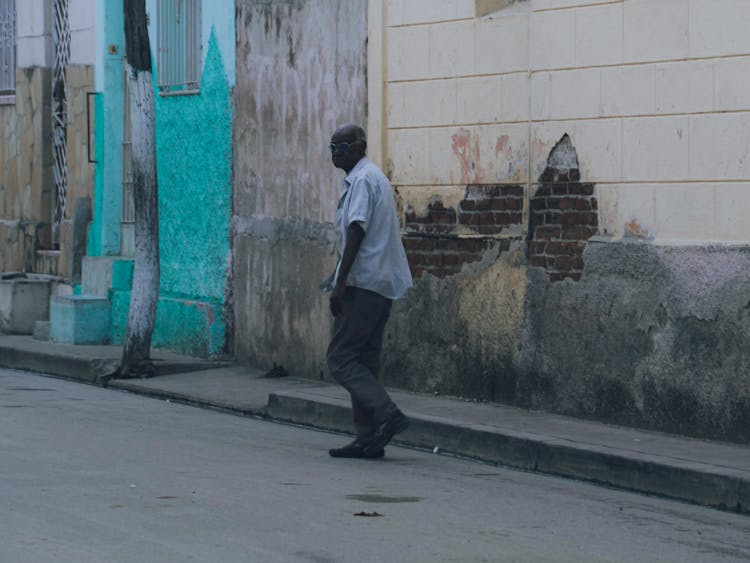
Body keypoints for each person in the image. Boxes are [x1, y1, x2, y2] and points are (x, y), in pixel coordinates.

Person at [324, 124, 413, 459]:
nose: (335, 153)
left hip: (364, 283)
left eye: (341, 147)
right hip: (381, 284)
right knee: (364, 360)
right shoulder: (373, 177)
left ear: (359, 147)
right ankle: (368, 436)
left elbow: (356, 229)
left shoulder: (363, 180)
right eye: (331, 147)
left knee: (340, 358)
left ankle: (386, 414)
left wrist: (340, 281)